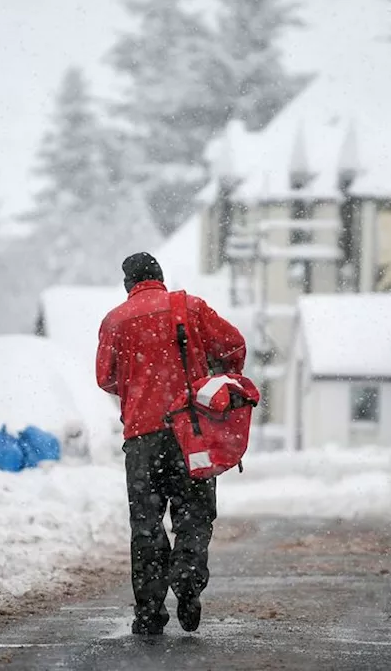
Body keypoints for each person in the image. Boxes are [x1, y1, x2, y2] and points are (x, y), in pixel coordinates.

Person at [96, 252, 247, 636]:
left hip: (141, 439)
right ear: (160, 277)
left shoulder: (115, 321)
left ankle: (149, 614)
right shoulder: (190, 307)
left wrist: (138, 387)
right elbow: (233, 347)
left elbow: (105, 379)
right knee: (194, 515)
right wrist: (213, 378)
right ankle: (187, 579)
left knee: (145, 525)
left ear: (129, 284)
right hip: (191, 433)